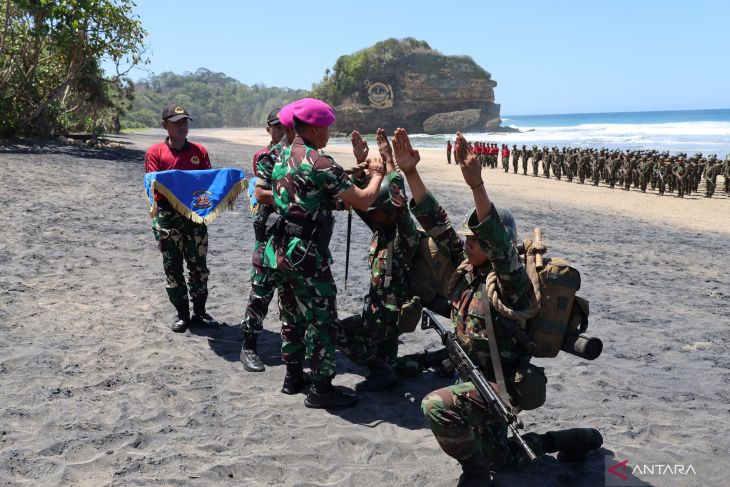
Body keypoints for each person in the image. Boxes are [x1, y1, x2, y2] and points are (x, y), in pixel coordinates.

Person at [420, 133, 601, 486]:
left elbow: (501, 248)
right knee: (503, 460)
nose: (466, 243)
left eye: (474, 239)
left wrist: (477, 185)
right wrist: (410, 172)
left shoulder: (512, 285)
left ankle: (474, 476)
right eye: (467, 238)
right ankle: (569, 439)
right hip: (472, 377)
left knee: (435, 405)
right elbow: (436, 224)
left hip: (502, 386)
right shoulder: (469, 269)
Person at [263, 98, 385, 409]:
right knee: (321, 320)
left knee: (290, 315)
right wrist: (378, 174)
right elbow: (363, 200)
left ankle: (293, 377)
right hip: (306, 254)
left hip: (278, 250)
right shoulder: (320, 162)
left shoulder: (281, 158)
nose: (329, 133)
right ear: (315, 127)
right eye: (327, 127)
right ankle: (321, 389)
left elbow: (308, 197)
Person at [145, 103, 219, 333]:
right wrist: (184, 184)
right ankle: (181, 314)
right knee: (172, 267)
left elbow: (207, 184)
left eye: (185, 121)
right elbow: (155, 185)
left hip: (196, 217)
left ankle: (200, 311)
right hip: (167, 218)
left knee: (199, 267)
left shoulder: (200, 152)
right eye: (176, 123)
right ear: (164, 125)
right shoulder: (154, 153)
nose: (182, 126)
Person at [239, 106, 295, 372]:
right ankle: (248, 346)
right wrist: (291, 199)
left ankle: (292, 350)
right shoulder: (268, 157)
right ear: (271, 128)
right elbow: (261, 194)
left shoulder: (302, 156)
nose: (283, 130)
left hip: (294, 237)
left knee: (291, 298)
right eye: (279, 126)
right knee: (261, 293)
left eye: (287, 126)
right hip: (270, 237)